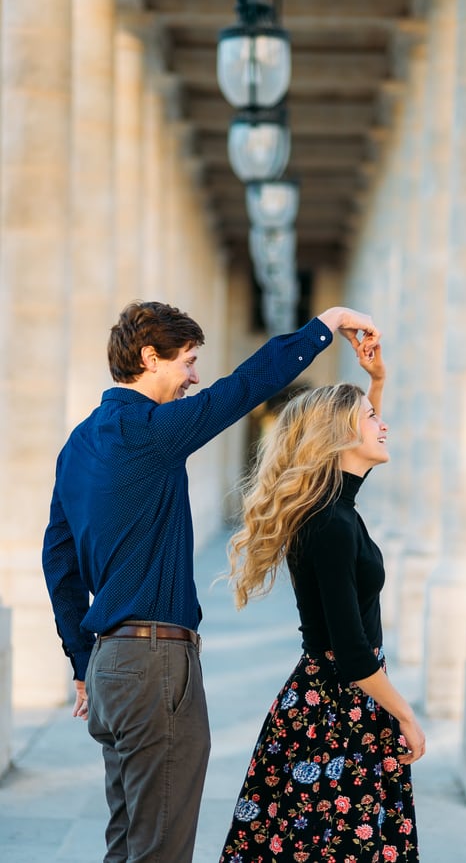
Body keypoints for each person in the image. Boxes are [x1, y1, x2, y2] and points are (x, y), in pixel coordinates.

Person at [41, 300, 381, 863]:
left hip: (108, 667)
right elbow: (243, 388)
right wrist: (326, 325)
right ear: (150, 358)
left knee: (128, 843)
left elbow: (59, 562)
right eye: (189, 362)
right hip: (154, 666)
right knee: (160, 851)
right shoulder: (150, 430)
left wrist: (82, 664)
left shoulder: (78, 443)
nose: (195, 377)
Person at [219, 344, 425, 863]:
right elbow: (352, 652)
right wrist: (407, 715)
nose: (384, 426)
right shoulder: (330, 523)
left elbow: (357, 461)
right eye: (373, 419)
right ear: (340, 435)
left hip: (334, 706)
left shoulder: (335, 507)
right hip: (337, 711)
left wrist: (376, 381)